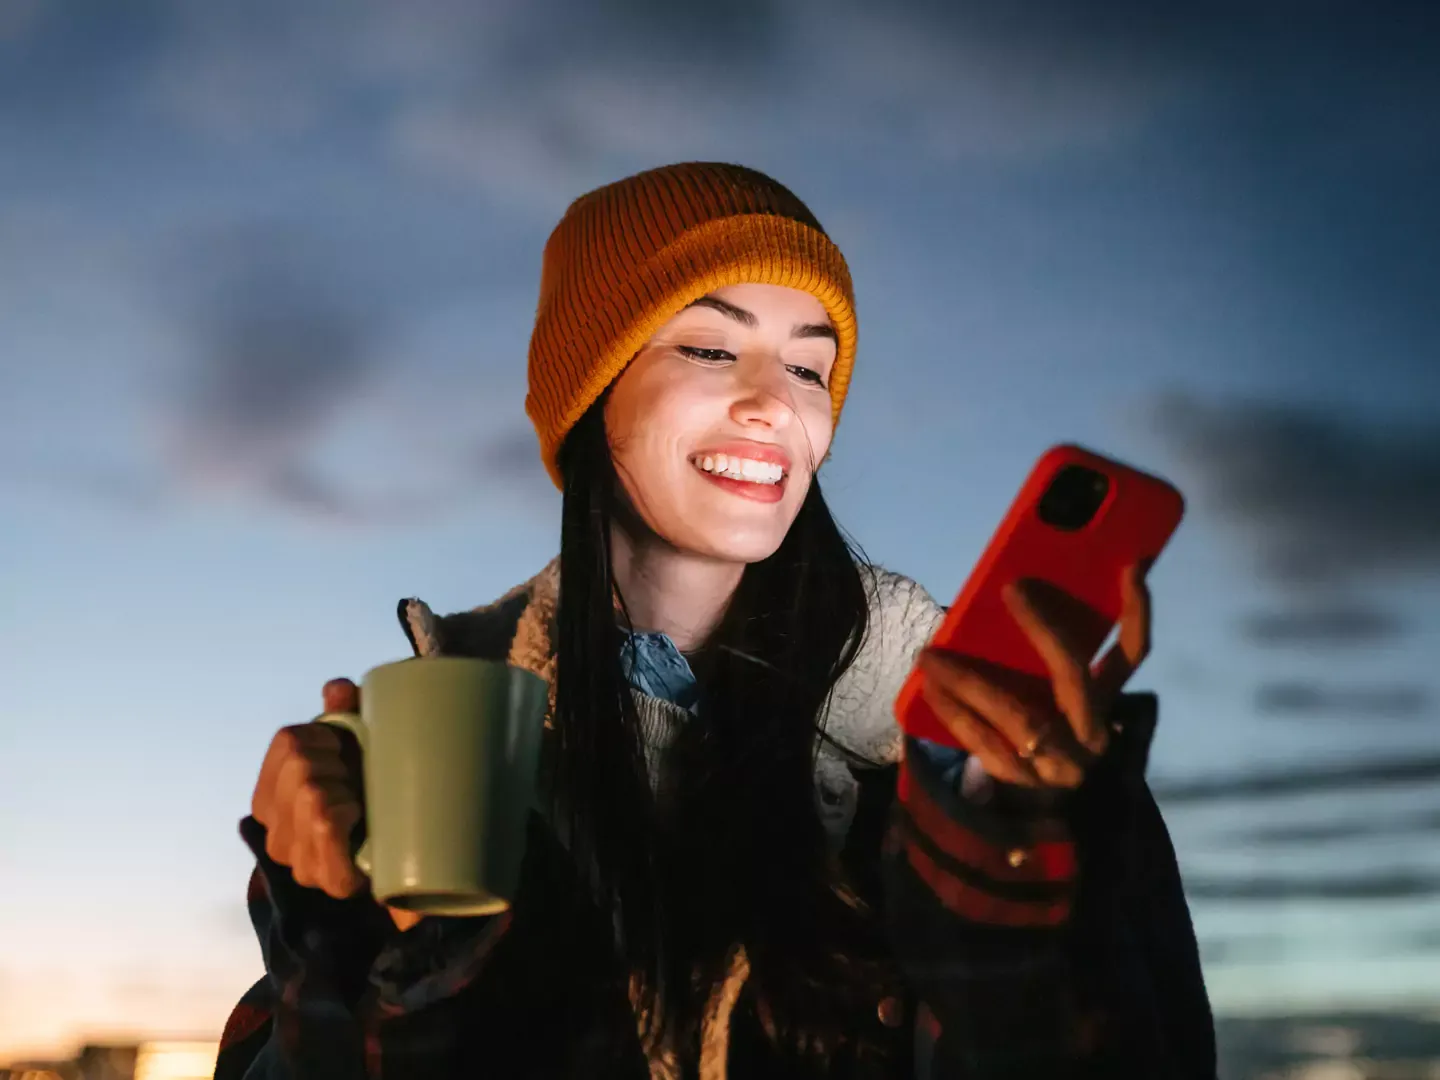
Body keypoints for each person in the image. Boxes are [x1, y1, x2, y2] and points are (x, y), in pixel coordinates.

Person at [215, 162, 1215, 1079]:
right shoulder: (421, 761)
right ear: (591, 394)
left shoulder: (979, 750)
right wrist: (341, 927)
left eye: (809, 369)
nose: (773, 405)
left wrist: (1014, 871)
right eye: (707, 346)